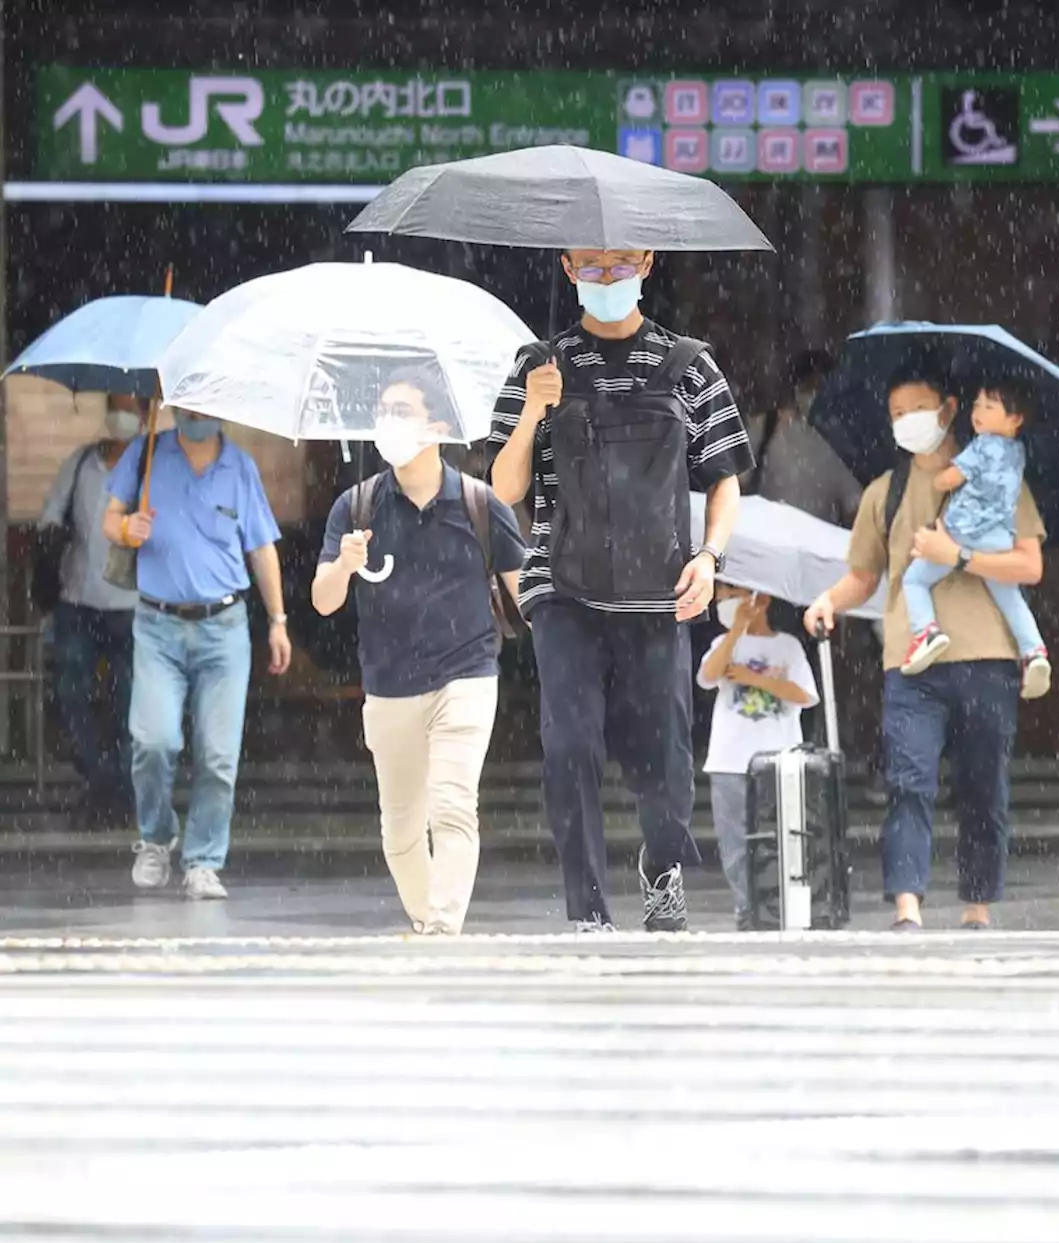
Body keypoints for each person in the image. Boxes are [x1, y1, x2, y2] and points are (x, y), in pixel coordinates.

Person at [489, 247, 754, 932]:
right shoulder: (538, 364)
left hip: (660, 590)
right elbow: (505, 488)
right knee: (570, 743)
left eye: (621, 264)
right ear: (569, 268)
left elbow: (725, 479)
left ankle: (661, 869)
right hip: (563, 587)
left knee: (665, 758)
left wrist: (710, 556)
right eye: (593, 266)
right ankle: (588, 911)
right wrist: (531, 415)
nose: (608, 278)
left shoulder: (689, 364)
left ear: (647, 262)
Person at [804, 363, 1047, 931]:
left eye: (919, 408)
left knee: (984, 788)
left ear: (949, 409)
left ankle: (977, 905)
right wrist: (827, 602)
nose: (908, 421)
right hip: (911, 663)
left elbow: (1029, 565)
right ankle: (907, 904)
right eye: (897, 414)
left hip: (988, 659)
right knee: (908, 783)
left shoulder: (1004, 481)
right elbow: (863, 576)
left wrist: (956, 557)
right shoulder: (883, 496)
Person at [312, 369, 525, 936]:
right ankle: (426, 919)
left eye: (401, 411)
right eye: (383, 412)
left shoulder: (481, 504)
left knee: (453, 802)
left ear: (436, 426)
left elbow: (526, 595)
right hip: (389, 686)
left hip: (468, 674)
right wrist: (344, 565)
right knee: (400, 829)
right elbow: (324, 600)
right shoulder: (355, 508)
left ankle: (442, 931)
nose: (388, 424)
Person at [102, 410, 290, 900]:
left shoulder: (240, 467)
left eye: (205, 405)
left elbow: (262, 548)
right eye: (187, 403)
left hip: (224, 629)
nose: (195, 414)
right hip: (157, 625)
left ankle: (204, 860)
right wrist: (128, 530)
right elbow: (109, 520)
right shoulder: (146, 452)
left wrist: (278, 620)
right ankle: (156, 837)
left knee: (218, 754)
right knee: (153, 740)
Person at [900, 382, 1051, 698]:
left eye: (989, 407)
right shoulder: (1018, 453)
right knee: (1011, 599)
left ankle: (926, 631)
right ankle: (1034, 651)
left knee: (914, 580)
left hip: (963, 530)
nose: (978, 412)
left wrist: (943, 477)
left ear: (1015, 419)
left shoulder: (982, 447)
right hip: (999, 536)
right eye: (978, 404)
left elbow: (948, 480)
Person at [36, 394, 144, 825]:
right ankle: (99, 781)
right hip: (77, 601)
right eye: (118, 405)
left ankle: (117, 788)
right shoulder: (82, 463)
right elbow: (49, 518)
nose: (124, 415)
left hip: (132, 607)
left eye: (132, 407)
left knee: (128, 704)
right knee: (70, 695)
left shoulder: (150, 467)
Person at [698, 584, 818, 928]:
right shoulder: (723, 644)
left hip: (778, 760)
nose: (724, 602)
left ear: (760, 599)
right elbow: (708, 677)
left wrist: (755, 678)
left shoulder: (788, 646)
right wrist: (736, 630)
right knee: (735, 840)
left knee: (781, 834)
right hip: (729, 760)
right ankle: (746, 907)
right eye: (722, 598)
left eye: (731, 594)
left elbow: (805, 695)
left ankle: (780, 904)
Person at [744, 350, 862, 528]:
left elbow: (855, 507)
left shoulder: (842, 442)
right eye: (808, 387)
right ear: (795, 388)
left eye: (821, 388)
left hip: (816, 549)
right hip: (765, 542)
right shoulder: (766, 426)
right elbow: (733, 483)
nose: (814, 394)